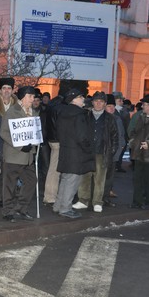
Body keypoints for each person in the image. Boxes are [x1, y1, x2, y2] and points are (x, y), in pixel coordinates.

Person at [72, 91, 118, 213]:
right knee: (84, 177)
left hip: (101, 152)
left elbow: (114, 137)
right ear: (92, 103)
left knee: (99, 179)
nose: (98, 104)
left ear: (104, 104)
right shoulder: (85, 116)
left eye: (101, 101)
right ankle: (83, 200)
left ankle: (97, 202)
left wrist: (110, 152)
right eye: (96, 101)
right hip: (86, 152)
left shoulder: (110, 119)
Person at [53, 89, 94, 219]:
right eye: (81, 97)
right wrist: (88, 148)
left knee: (65, 179)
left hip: (65, 150)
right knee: (72, 181)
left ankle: (58, 205)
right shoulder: (79, 115)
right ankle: (65, 208)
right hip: (77, 153)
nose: (83, 99)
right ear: (74, 100)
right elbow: (82, 136)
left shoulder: (62, 112)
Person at [0, 85, 39, 222]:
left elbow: (35, 132)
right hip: (14, 155)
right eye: (31, 96)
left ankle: (21, 208)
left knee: (31, 181)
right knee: (9, 184)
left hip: (28, 157)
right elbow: (4, 132)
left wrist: (35, 141)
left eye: (33, 96)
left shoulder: (34, 112)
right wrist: (20, 145)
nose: (33, 99)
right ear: (23, 97)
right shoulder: (12, 111)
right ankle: (7, 211)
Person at [0, 77, 17, 205]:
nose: (7, 91)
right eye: (4, 88)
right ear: (0, 90)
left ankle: (0, 197)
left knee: (6, 171)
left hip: (11, 143)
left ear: (12, 90)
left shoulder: (17, 107)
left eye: (9, 88)